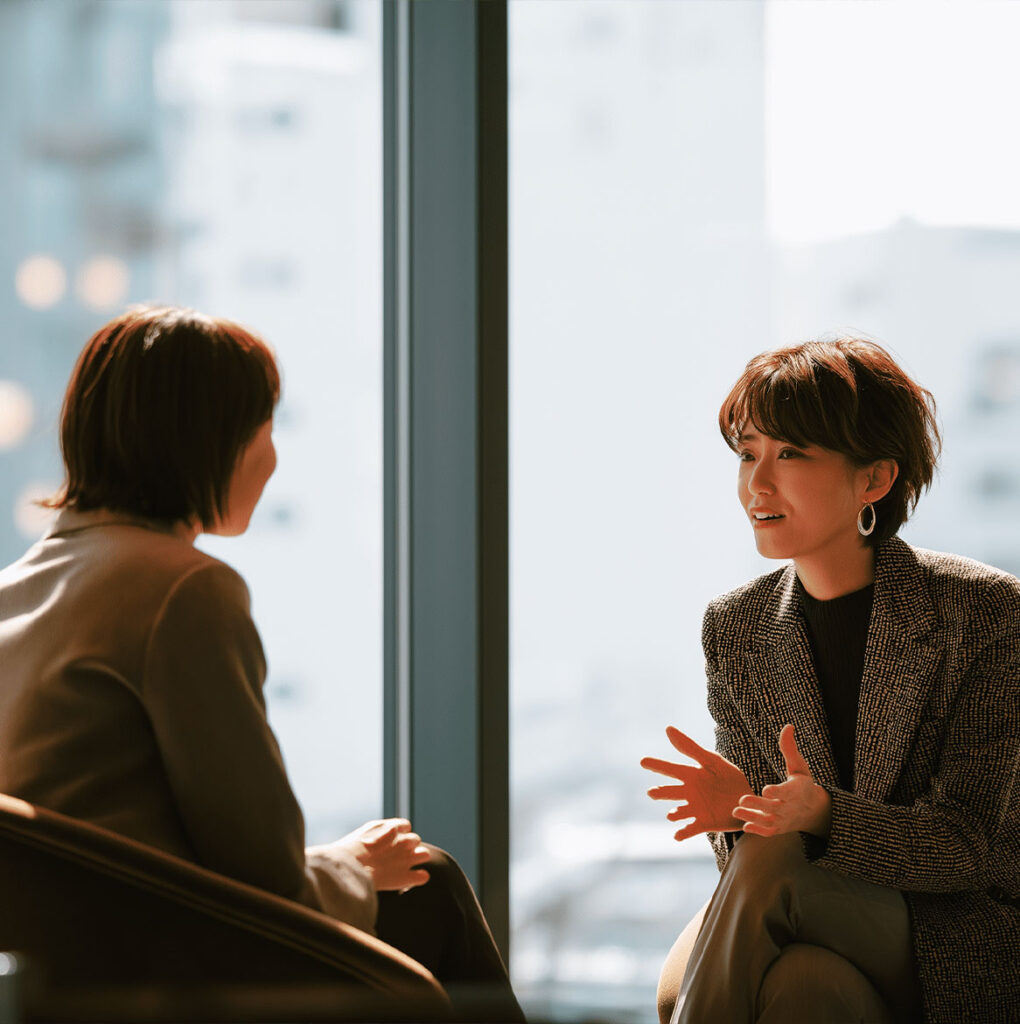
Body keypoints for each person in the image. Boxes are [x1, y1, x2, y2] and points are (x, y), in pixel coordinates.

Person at [0, 305, 523, 1020]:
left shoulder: (16, 593)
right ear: (206, 440)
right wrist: (352, 866)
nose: (272, 457)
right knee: (426, 879)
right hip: (167, 969)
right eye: (264, 426)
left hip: (62, 973)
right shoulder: (180, 588)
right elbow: (265, 875)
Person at [641, 337, 1020, 1024]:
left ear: (873, 479)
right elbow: (748, 857)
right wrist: (738, 813)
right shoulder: (737, 626)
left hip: (950, 928)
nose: (757, 484)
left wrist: (821, 816)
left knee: (762, 879)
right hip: (802, 920)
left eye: (790, 455)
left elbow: (965, 846)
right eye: (748, 454)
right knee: (804, 987)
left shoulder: (985, 612)